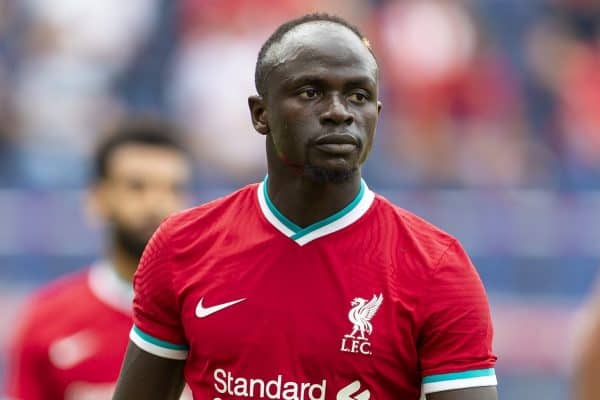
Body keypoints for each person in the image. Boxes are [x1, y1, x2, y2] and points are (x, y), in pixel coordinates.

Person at [113, 13, 498, 400]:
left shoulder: (437, 269)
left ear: (376, 116)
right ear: (260, 114)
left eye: (358, 96)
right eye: (311, 92)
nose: (339, 111)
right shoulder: (183, 246)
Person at [4, 118, 193, 400]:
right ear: (98, 198)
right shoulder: (46, 320)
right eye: (137, 187)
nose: (157, 204)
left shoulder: (215, 311)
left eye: (172, 189)